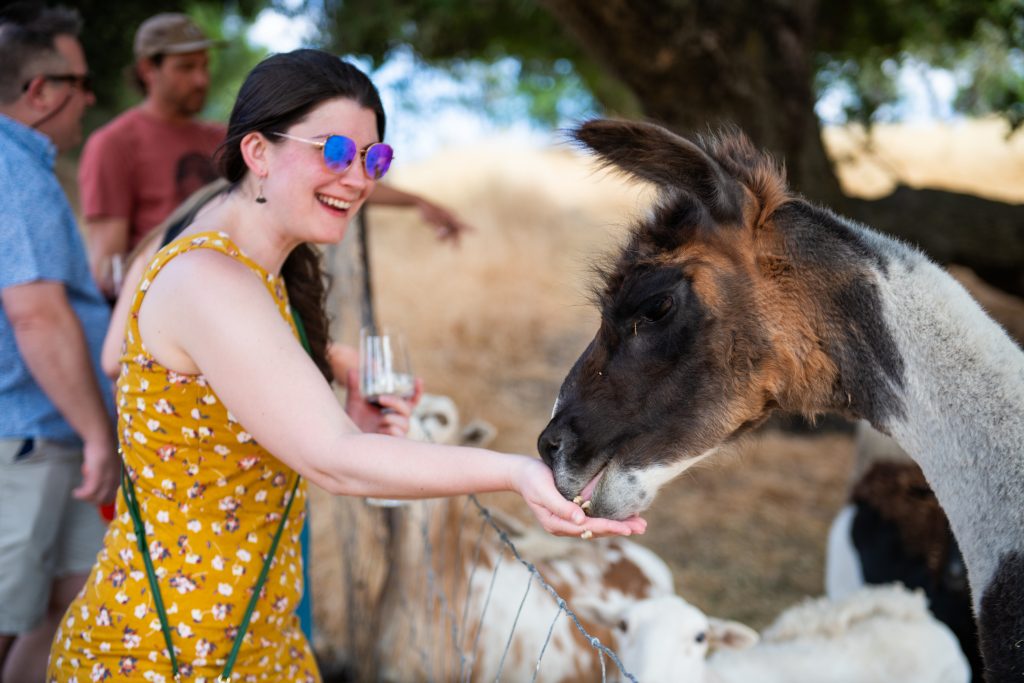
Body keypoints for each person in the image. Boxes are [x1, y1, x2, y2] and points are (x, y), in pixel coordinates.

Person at [47, 49, 644, 681]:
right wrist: (517, 473)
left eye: (374, 158)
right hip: (163, 652)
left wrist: (331, 379)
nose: (358, 178)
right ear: (258, 153)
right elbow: (333, 458)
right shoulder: (209, 278)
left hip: (254, 637)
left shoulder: (254, 263)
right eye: (334, 151)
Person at [79, 12, 469, 299]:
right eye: (186, 68)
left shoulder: (219, 137)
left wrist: (416, 202)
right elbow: (108, 268)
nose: (201, 78)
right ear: (148, 69)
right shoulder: (114, 144)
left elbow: (333, 174)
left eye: (204, 66)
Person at [0, 5, 119, 682]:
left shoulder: (27, 169)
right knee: (9, 615)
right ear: (40, 92)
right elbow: (36, 318)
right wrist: (96, 435)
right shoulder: (12, 174)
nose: (90, 95)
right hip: (26, 437)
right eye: (79, 80)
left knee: (72, 597)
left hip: (50, 434)